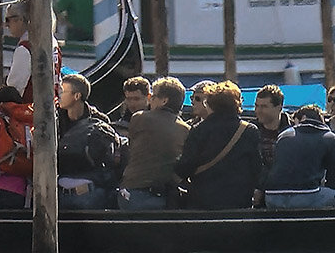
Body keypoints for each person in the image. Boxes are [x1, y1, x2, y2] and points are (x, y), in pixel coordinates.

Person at [174, 80, 260, 209]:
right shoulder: (249, 130)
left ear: (210, 105)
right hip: (239, 201)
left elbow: (184, 167)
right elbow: (256, 168)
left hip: (203, 201)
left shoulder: (199, 130)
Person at [118, 76, 190, 210]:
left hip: (134, 192)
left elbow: (132, 149)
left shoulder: (139, 118)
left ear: (164, 100)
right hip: (167, 197)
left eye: (154, 96)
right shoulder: (185, 129)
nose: (151, 99)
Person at [260, 104, 335, 209]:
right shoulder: (330, 138)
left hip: (272, 196)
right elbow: (334, 180)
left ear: (302, 119)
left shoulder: (284, 135)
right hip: (306, 195)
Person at [57, 73, 122, 210]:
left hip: (90, 186)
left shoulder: (99, 121)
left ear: (77, 96)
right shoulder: (54, 119)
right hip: (60, 183)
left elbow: (107, 160)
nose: (58, 95)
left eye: (62, 91)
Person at [4, 0, 62, 103]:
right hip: (53, 107)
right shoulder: (53, 43)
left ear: (20, 19)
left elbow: (14, 88)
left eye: (8, 20)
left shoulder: (25, 48)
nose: (6, 25)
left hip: (30, 112)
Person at [252, 84, 291, 174]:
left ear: (279, 108)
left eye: (264, 107)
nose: (258, 111)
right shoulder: (250, 131)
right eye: (257, 106)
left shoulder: (293, 133)